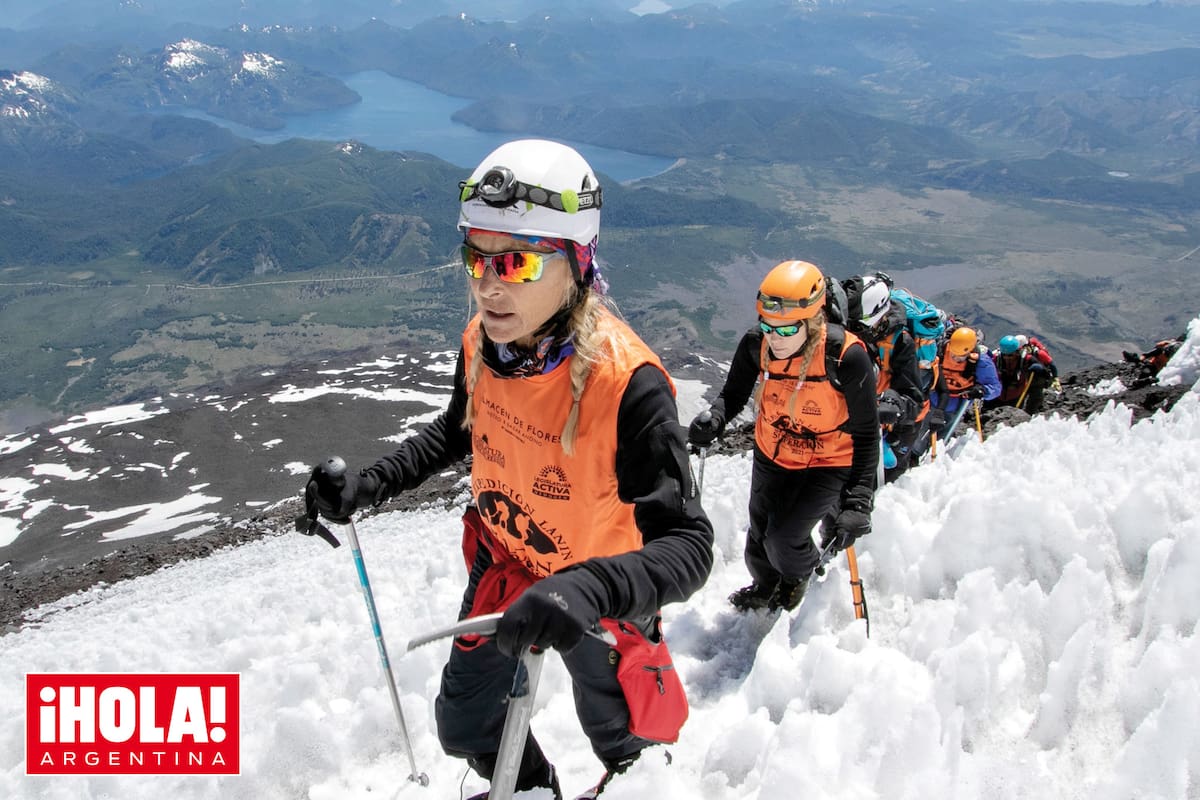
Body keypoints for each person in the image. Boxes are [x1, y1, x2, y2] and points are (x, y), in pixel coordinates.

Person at [304, 139, 714, 799]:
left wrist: (586, 592)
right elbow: (456, 431)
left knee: (622, 732)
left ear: (577, 264)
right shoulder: (483, 342)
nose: (488, 284)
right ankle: (529, 791)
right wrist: (369, 484)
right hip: (509, 561)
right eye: (476, 256)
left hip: (598, 589)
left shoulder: (627, 385)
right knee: (465, 724)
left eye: (517, 262)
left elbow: (689, 546)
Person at [687, 260, 879, 613]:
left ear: (812, 321)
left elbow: (867, 434)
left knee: (784, 538)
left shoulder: (846, 358)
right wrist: (715, 419)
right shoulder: (756, 344)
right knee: (759, 538)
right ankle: (765, 584)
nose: (775, 337)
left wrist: (859, 500)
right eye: (768, 325)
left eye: (788, 330)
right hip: (771, 453)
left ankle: (798, 573)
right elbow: (733, 394)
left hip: (828, 461)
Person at [843, 273, 928, 483]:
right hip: (860, 419)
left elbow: (914, 398)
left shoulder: (901, 342)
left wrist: (893, 402)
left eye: (860, 326)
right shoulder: (851, 332)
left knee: (890, 473)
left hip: (897, 426)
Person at [926, 326, 1001, 440]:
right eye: (952, 354)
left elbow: (995, 387)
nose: (955, 359)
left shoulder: (981, 361)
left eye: (960, 358)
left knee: (940, 437)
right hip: (930, 399)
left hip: (956, 405)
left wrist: (982, 391)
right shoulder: (939, 350)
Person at [989, 333, 1058, 413]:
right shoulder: (996, 358)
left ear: (1017, 351)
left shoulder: (1029, 359)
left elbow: (1047, 371)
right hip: (1002, 391)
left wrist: (1043, 372)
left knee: (1037, 387)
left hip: (1020, 388)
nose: (1007, 358)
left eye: (1010, 355)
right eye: (1004, 355)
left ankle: (1031, 410)